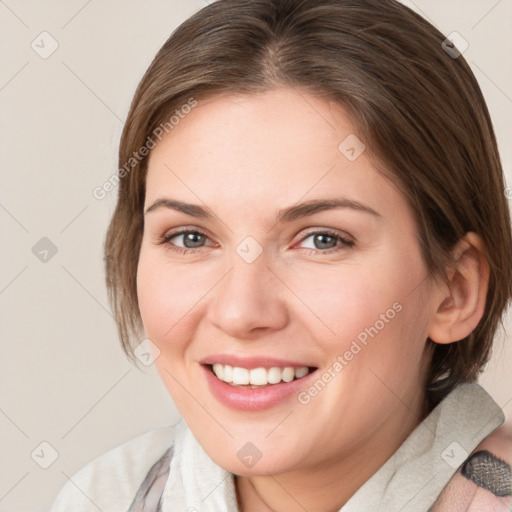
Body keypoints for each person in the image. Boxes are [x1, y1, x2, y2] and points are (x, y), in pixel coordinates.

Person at [50, 0, 512, 510]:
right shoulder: (99, 497)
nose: (240, 312)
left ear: (455, 290)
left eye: (322, 239)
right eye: (190, 237)